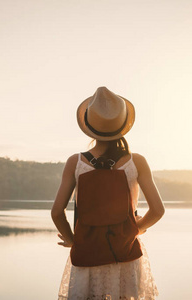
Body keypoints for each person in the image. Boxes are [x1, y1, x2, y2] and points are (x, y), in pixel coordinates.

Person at [51, 86, 165, 300]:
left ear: (89, 124)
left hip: (87, 256)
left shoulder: (75, 163)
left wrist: (74, 240)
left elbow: (57, 212)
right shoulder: (136, 162)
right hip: (125, 256)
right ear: (122, 124)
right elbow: (158, 210)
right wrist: (134, 229)